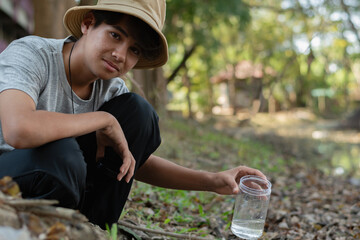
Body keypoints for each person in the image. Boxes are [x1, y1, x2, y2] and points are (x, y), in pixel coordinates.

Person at [0, 0, 266, 229]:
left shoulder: (112, 89)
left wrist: (212, 180)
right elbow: (18, 128)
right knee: (62, 156)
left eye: (134, 50)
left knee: (140, 114)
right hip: (10, 177)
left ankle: (94, 227)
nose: (120, 55)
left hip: (67, 190)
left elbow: (131, 160)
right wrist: (102, 119)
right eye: (115, 35)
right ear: (88, 23)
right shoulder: (32, 54)